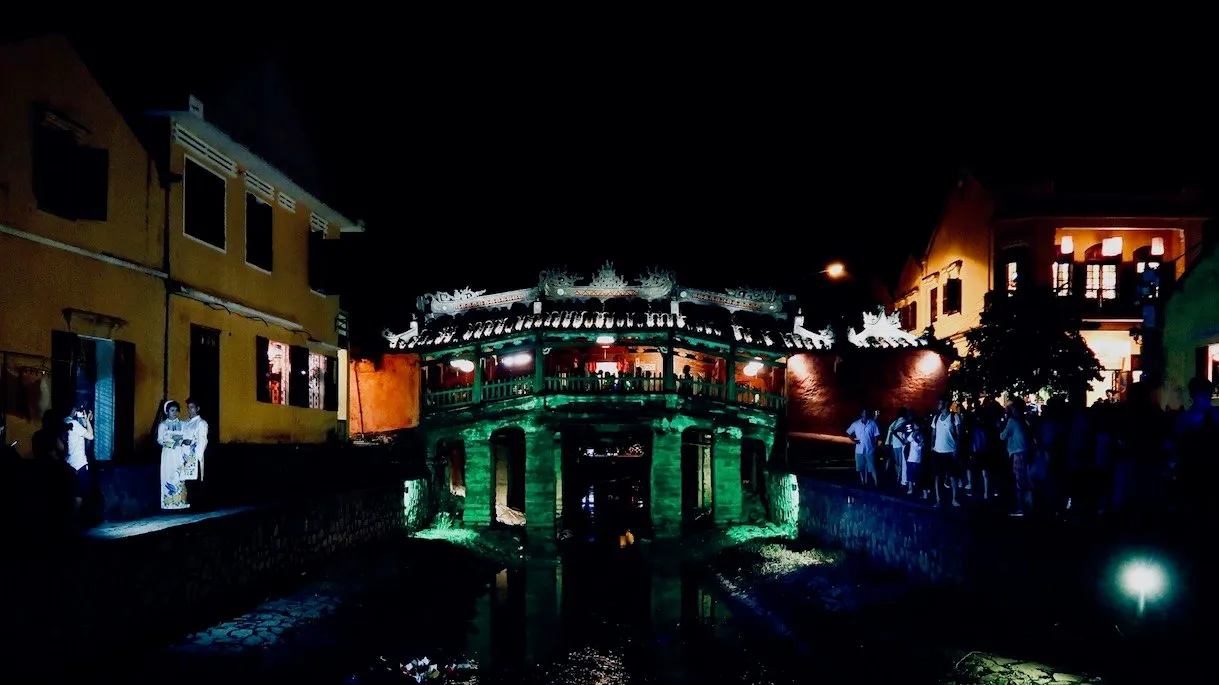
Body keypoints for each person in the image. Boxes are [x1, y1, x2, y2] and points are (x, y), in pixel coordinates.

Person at [158, 400, 189, 511]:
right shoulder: (163, 425)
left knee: (179, 475)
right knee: (168, 475)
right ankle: (168, 504)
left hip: (179, 453)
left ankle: (180, 503)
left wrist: (180, 441)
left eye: (176, 410)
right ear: (167, 411)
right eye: (172, 410)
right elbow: (160, 440)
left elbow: (186, 436)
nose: (174, 413)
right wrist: (173, 442)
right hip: (168, 454)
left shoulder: (182, 424)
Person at [63, 407, 94, 518]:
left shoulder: (63, 423)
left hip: (67, 464)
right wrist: (89, 422)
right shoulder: (73, 423)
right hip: (78, 464)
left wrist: (85, 423)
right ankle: (74, 521)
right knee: (79, 494)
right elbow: (90, 436)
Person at [182, 398, 209, 508]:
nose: (190, 410)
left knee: (196, 480)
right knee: (187, 480)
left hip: (194, 455)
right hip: (185, 455)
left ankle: (198, 505)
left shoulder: (201, 423)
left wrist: (193, 445)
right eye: (188, 408)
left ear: (197, 408)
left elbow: (203, 440)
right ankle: (190, 503)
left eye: (192, 407)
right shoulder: (185, 423)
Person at [846, 408, 880, 486]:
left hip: (869, 449)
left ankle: (876, 483)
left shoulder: (872, 423)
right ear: (861, 414)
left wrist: (874, 445)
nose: (865, 414)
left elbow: (876, 435)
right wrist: (854, 440)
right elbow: (848, 432)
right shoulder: (856, 424)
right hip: (859, 449)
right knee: (861, 467)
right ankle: (863, 482)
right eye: (864, 413)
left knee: (872, 467)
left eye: (866, 413)